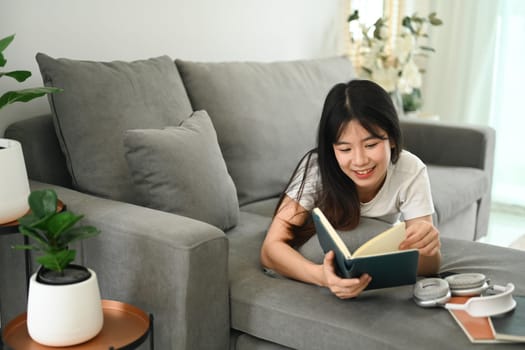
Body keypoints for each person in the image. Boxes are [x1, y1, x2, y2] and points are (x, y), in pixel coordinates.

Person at [260, 79, 441, 299]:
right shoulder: (318, 168)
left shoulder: (409, 170)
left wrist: (429, 246)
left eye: (370, 145)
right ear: (332, 149)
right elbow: (271, 249)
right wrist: (322, 277)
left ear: (392, 138)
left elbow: (429, 266)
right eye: (345, 149)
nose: (359, 161)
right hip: (317, 261)